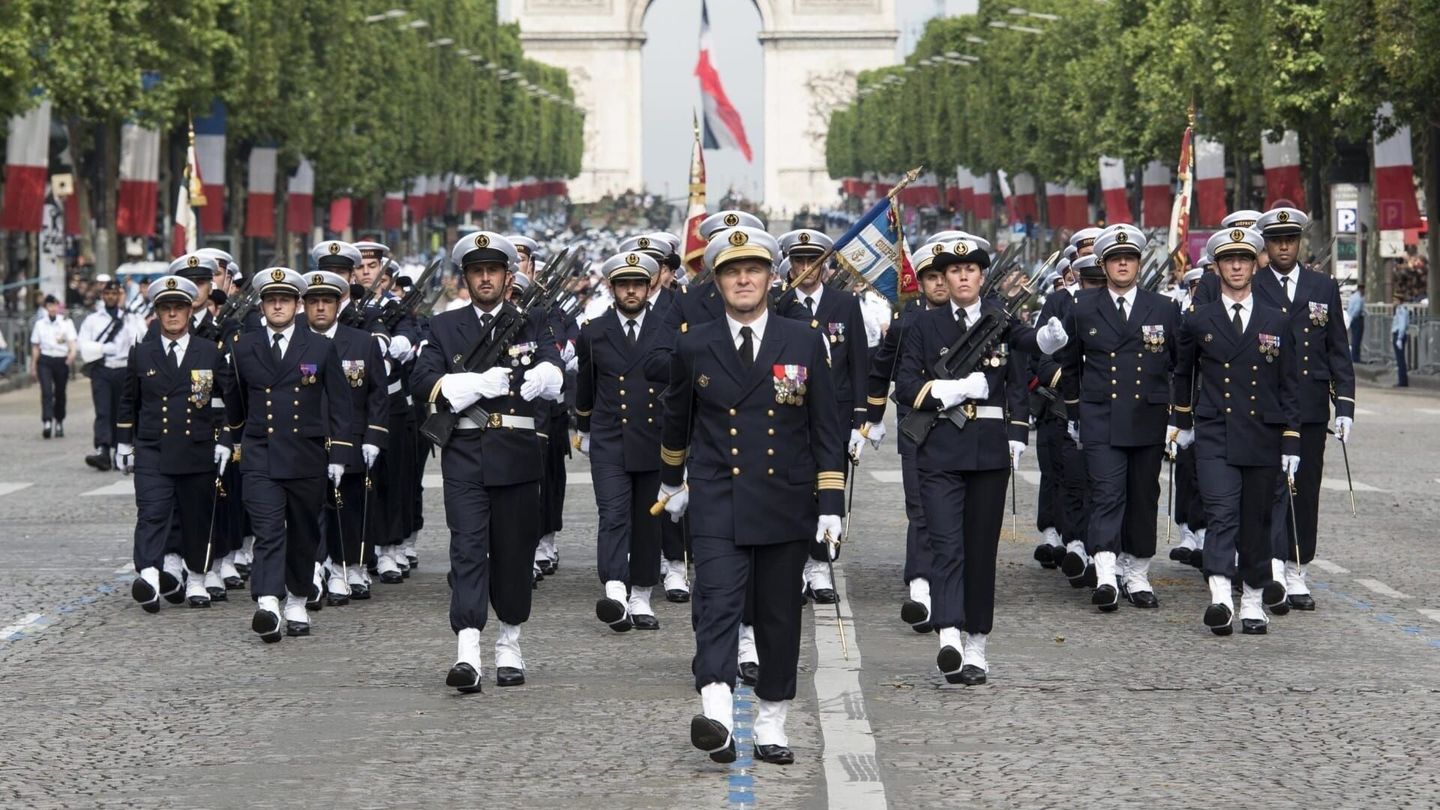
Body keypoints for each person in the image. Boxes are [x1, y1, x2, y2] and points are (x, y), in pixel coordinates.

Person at [658, 225, 846, 766]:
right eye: (732, 272)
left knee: (779, 616)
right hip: (718, 497)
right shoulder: (694, 344)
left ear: (772, 277)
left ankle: (771, 721)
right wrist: (672, 482)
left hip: (785, 500)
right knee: (715, 604)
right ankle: (715, 710)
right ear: (716, 282)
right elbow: (678, 420)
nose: (743, 279)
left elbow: (824, 428)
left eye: (754, 270)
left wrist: (830, 504)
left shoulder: (806, 341)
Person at [895, 237, 1068, 685]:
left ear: (982, 275)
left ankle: (977, 644)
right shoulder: (922, 325)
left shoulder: (1000, 320)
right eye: (954, 270)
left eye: (972, 268)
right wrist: (952, 390)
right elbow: (906, 384)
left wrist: (1050, 336)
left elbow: (1027, 348)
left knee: (979, 553)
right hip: (938, 450)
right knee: (946, 545)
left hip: (987, 453)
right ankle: (949, 633)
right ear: (944, 279)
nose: (964, 276)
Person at [411, 232, 564, 692]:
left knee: (515, 554)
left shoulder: (532, 322)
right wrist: (474, 384)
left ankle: (510, 644)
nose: (484, 278)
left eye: (492, 270)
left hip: (517, 455)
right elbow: (423, 381)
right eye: (476, 271)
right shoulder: (444, 326)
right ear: (466, 278)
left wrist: (546, 374)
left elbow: (558, 368)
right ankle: (468, 650)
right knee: (468, 549)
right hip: (465, 453)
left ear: (506, 276)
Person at [1170, 227, 1301, 635]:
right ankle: (1221, 597)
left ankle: (1254, 602)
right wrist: (1182, 421)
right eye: (1229, 260)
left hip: (1262, 433)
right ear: (1217, 267)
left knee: (1255, 520)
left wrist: (1291, 437)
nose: (1238, 266)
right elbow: (1183, 372)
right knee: (1221, 512)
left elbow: (1290, 382)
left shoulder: (1276, 320)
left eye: (1244, 259)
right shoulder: (1198, 319)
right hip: (1216, 430)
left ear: (1255, 263)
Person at [220, 268, 353, 642]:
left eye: (285, 299)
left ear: (298, 305)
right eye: (270, 299)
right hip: (261, 452)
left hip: (305, 455)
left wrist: (340, 455)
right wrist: (237, 438)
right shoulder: (243, 346)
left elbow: (341, 405)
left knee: (303, 533)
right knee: (267, 530)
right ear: (261, 306)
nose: (277, 305)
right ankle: (267, 602)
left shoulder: (321, 347)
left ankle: (296, 599)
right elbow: (235, 399)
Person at [1058, 224, 1181, 612]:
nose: (1123, 264)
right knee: (1107, 494)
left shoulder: (1163, 308)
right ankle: (1107, 573)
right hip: (1102, 416)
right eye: (1115, 259)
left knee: (1144, 497)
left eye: (1129, 258)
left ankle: (1137, 571)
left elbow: (1178, 364)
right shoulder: (1082, 307)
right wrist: (1075, 411)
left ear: (1140, 264)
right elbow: (1070, 364)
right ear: (1104, 265)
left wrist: (1178, 416)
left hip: (1147, 417)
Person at [1250, 207, 1355, 610]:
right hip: (1264, 406)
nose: (1283, 246)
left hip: (1310, 407)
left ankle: (1297, 570)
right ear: (1266, 244)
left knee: (1304, 491)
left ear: (1299, 242)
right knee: (1266, 490)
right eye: (1276, 240)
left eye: (1290, 239)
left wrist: (1344, 404)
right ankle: (1269, 568)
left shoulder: (1321, 287)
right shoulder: (1253, 284)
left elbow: (1337, 349)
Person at [114, 276, 232, 611]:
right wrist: (124, 443)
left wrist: (225, 440)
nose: (172, 315)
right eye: (165, 309)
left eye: (178, 308)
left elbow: (228, 401)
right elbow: (128, 400)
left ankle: (195, 577)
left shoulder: (209, 352)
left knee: (196, 517)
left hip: (197, 450)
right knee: (152, 512)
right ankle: (149, 575)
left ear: (189, 312)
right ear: (157, 313)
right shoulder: (142, 352)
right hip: (153, 448)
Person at [860, 238, 954, 631]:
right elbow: (881, 369)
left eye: (942, 276)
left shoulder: (971, 318)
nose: (938, 284)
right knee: (920, 510)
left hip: (962, 431)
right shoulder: (907, 322)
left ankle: (949, 585)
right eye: (930, 277)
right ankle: (920, 587)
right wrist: (873, 417)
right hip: (918, 428)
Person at [574, 251, 668, 632]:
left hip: (654, 437)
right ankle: (614, 589)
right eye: (623, 284)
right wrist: (583, 427)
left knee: (648, 521)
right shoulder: (594, 331)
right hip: (610, 437)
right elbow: (586, 383)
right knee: (613, 515)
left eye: (638, 284)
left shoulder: (668, 327)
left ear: (649, 287)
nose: (631, 291)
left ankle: (641, 595)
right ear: (612, 288)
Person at [775, 228, 868, 604]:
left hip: (836, 413)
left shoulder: (844, 304)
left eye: (813, 261)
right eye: (799, 260)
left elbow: (860, 361)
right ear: (788, 265)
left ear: (826, 265)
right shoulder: (778, 304)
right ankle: (796, 569)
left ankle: (819, 568)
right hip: (792, 410)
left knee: (828, 490)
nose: (806, 268)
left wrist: (863, 418)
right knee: (794, 492)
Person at [301, 259, 389, 606]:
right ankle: (315, 568)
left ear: (340, 303)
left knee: (349, 509)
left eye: (327, 301)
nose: (320, 307)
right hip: (307, 441)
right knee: (309, 509)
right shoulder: (297, 342)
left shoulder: (362, 342)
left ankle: (347, 567)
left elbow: (377, 394)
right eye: (313, 301)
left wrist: (374, 437)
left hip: (350, 439)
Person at [77, 278, 140, 470]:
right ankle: (103, 449)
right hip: (102, 369)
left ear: (120, 295)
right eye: (108, 294)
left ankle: (122, 449)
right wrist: (104, 348)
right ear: (103, 295)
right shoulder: (93, 320)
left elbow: (138, 339)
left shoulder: (130, 318)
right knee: (103, 411)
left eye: (115, 293)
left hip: (123, 369)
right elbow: (84, 345)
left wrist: (127, 314)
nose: (111, 297)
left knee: (123, 411)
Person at [30, 294, 77, 438]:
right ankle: (47, 421)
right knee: (46, 392)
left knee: (60, 393)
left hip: (61, 360)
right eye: (49, 305)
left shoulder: (65, 323)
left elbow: (72, 341)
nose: (52, 308)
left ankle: (59, 421)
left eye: (54, 305)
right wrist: (33, 365)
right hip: (45, 360)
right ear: (46, 307)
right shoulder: (40, 324)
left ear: (58, 306)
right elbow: (36, 346)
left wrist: (71, 355)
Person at [1392, 290, 1409, 387]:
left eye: (1395, 300)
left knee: (1400, 360)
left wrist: (1399, 338)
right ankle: (1402, 380)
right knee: (1400, 359)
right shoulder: (1400, 309)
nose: (1394, 302)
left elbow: (1402, 325)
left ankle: (1402, 381)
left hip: (1399, 334)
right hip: (1398, 334)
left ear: (1399, 301)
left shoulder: (1401, 310)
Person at [1347, 283, 1366, 363]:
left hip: (1352, 319)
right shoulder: (1359, 298)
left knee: (1354, 339)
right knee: (1357, 339)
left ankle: (1353, 357)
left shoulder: (1353, 296)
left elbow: (1350, 309)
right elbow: (1357, 309)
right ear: (1361, 289)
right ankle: (1355, 358)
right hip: (1357, 319)